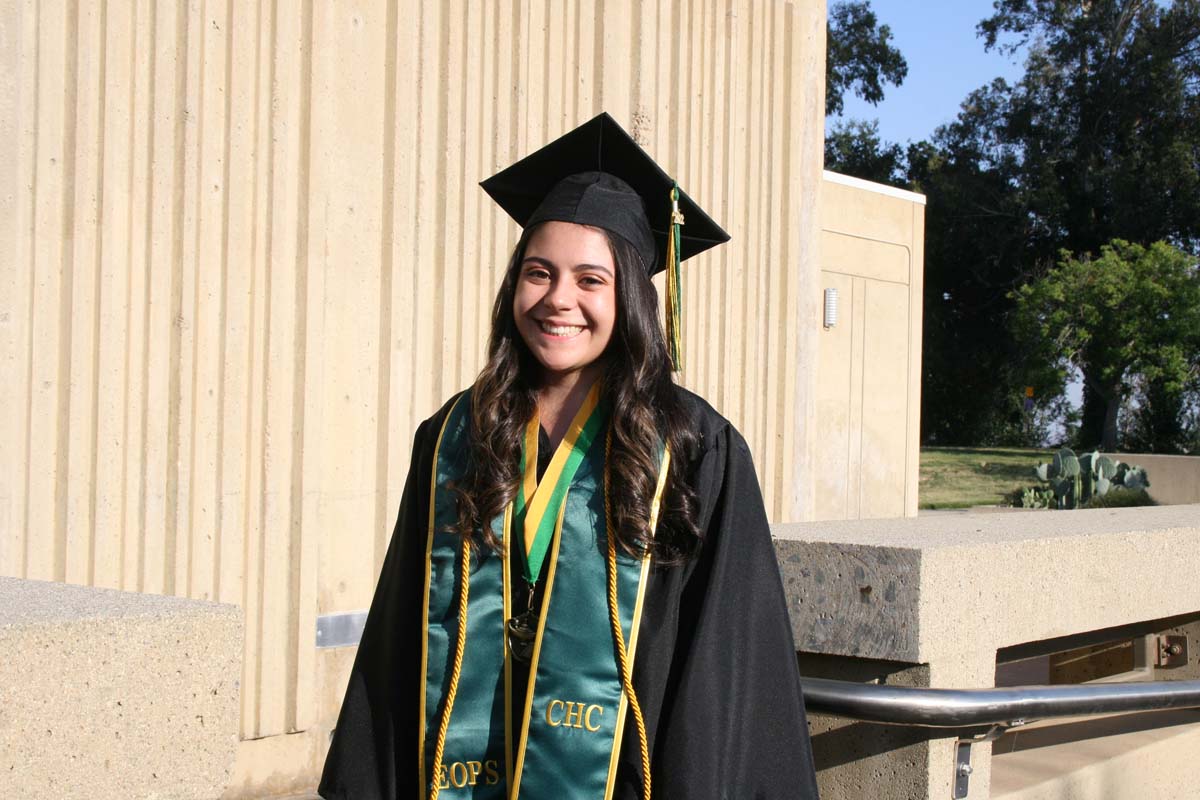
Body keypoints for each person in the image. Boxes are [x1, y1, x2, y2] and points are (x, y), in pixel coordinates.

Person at [319, 113, 819, 800]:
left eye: (591, 280)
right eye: (538, 273)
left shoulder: (691, 448)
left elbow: (722, 669)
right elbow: (400, 640)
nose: (559, 300)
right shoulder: (453, 436)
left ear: (632, 299)